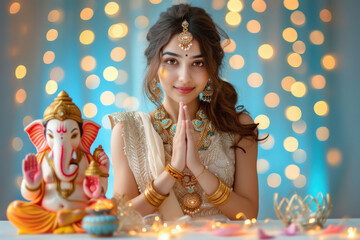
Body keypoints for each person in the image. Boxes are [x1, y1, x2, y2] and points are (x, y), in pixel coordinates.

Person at [108, 4, 261, 221]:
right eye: (172, 61)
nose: (184, 77)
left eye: (197, 63)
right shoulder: (128, 131)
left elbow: (248, 214)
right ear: (154, 65)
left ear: (211, 69)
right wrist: (173, 170)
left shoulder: (237, 126)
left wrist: (198, 169)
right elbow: (120, 217)